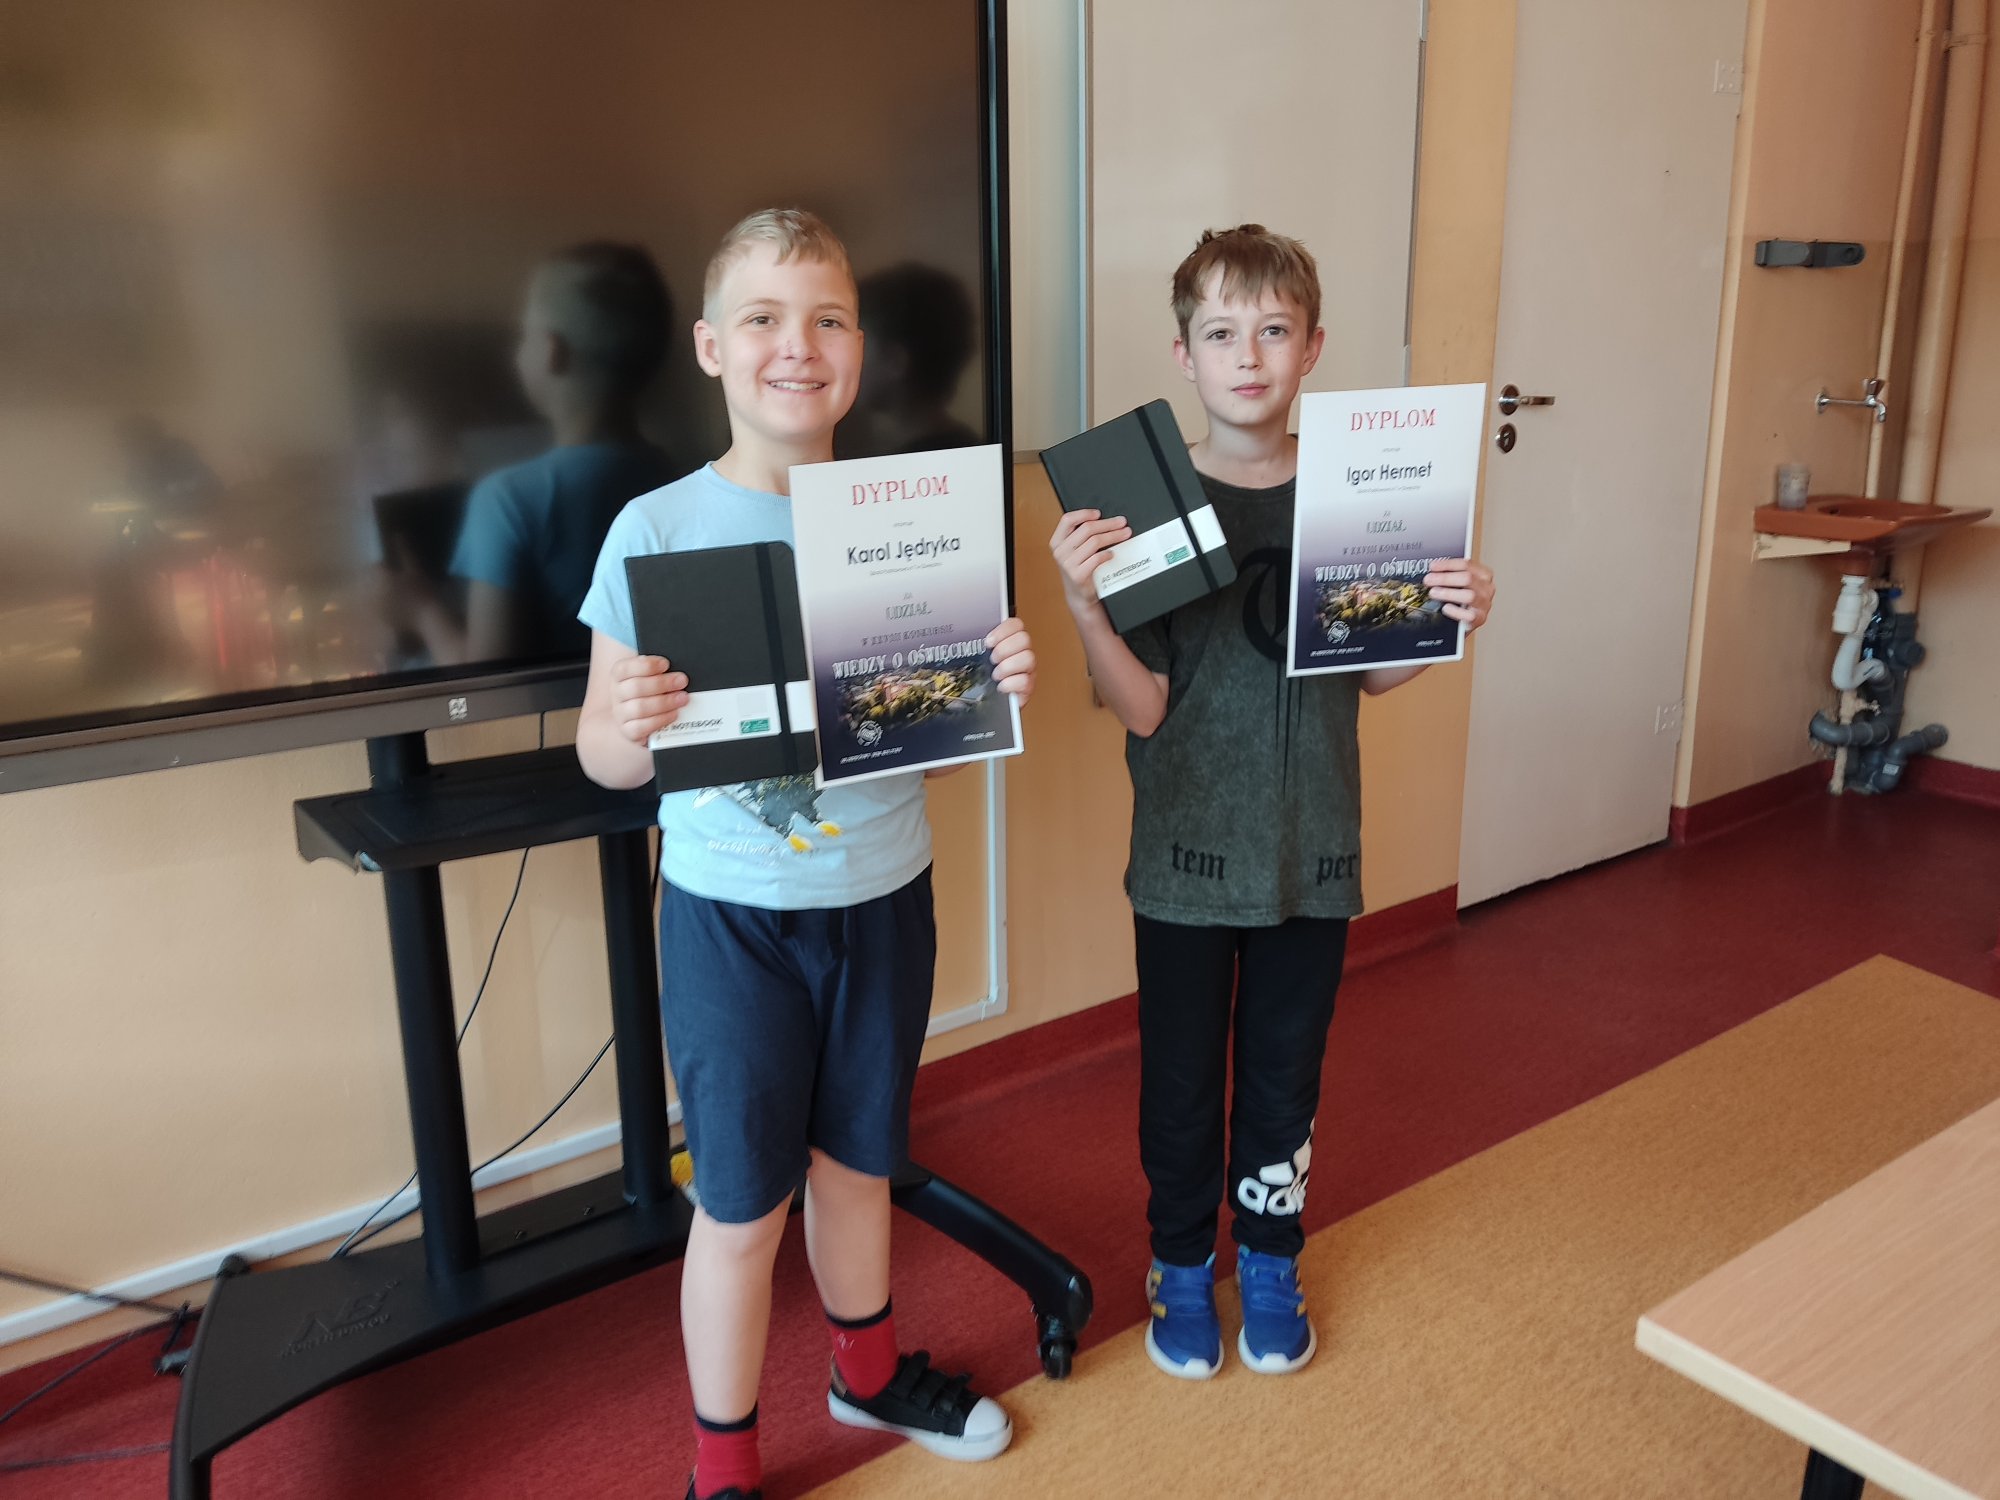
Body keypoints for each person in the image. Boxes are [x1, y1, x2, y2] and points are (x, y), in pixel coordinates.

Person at [575, 209, 1035, 1500]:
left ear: (860, 349)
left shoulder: (907, 524)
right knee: (738, 1206)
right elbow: (603, 762)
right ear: (711, 347)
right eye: (765, 319)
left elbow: (928, 758)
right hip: (729, 919)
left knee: (859, 1164)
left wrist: (981, 691)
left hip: (881, 899)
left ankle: (867, 1374)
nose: (798, 345)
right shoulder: (653, 530)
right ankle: (721, 1467)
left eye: (828, 319)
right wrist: (626, 726)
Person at [1047, 224, 1497, 1380]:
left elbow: (1369, 674)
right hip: (1185, 862)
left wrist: (1445, 619)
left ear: (1311, 348)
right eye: (1219, 333)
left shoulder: (1357, 487)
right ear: (1183, 354)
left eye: (1272, 330)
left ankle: (1267, 1256)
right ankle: (1178, 1263)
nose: (1246, 356)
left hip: (1313, 854)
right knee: (1181, 1081)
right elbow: (1143, 710)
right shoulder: (1147, 502)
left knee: (1286, 1075)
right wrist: (1086, 608)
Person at [396, 243, 681, 664]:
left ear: (551, 351)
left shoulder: (507, 499)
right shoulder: (676, 477)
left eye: (523, 334)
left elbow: (489, 679)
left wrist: (422, 611)